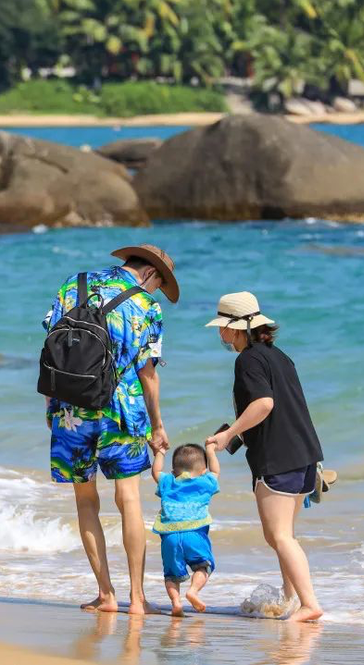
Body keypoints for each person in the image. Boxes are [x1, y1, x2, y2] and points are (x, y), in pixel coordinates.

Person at [43, 243, 179, 614]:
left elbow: (52, 348)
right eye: (159, 284)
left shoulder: (74, 284)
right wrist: (158, 426)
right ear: (149, 273)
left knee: (85, 500)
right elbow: (147, 374)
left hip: (70, 408)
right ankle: (137, 599)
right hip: (121, 409)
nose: (156, 292)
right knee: (128, 499)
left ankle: (106, 595)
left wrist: (51, 407)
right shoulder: (147, 306)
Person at [204, 292, 325, 623]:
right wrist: (239, 434)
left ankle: (310, 604)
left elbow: (264, 404)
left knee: (279, 536)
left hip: (278, 458)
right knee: (283, 535)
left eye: (222, 327)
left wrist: (229, 434)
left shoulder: (248, 360)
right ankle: (290, 599)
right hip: (304, 455)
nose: (220, 334)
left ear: (237, 328)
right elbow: (280, 407)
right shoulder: (279, 356)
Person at [151, 442, 219, 617]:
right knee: (203, 566)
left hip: (170, 536)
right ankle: (193, 591)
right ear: (203, 470)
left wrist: (160, 452)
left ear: (174, 471)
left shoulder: (168, 481)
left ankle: (176, 603)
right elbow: (215, 471)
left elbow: (156, 472)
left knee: (171, 574)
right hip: (194, 533)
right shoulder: (205, 482)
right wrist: (211, 450)